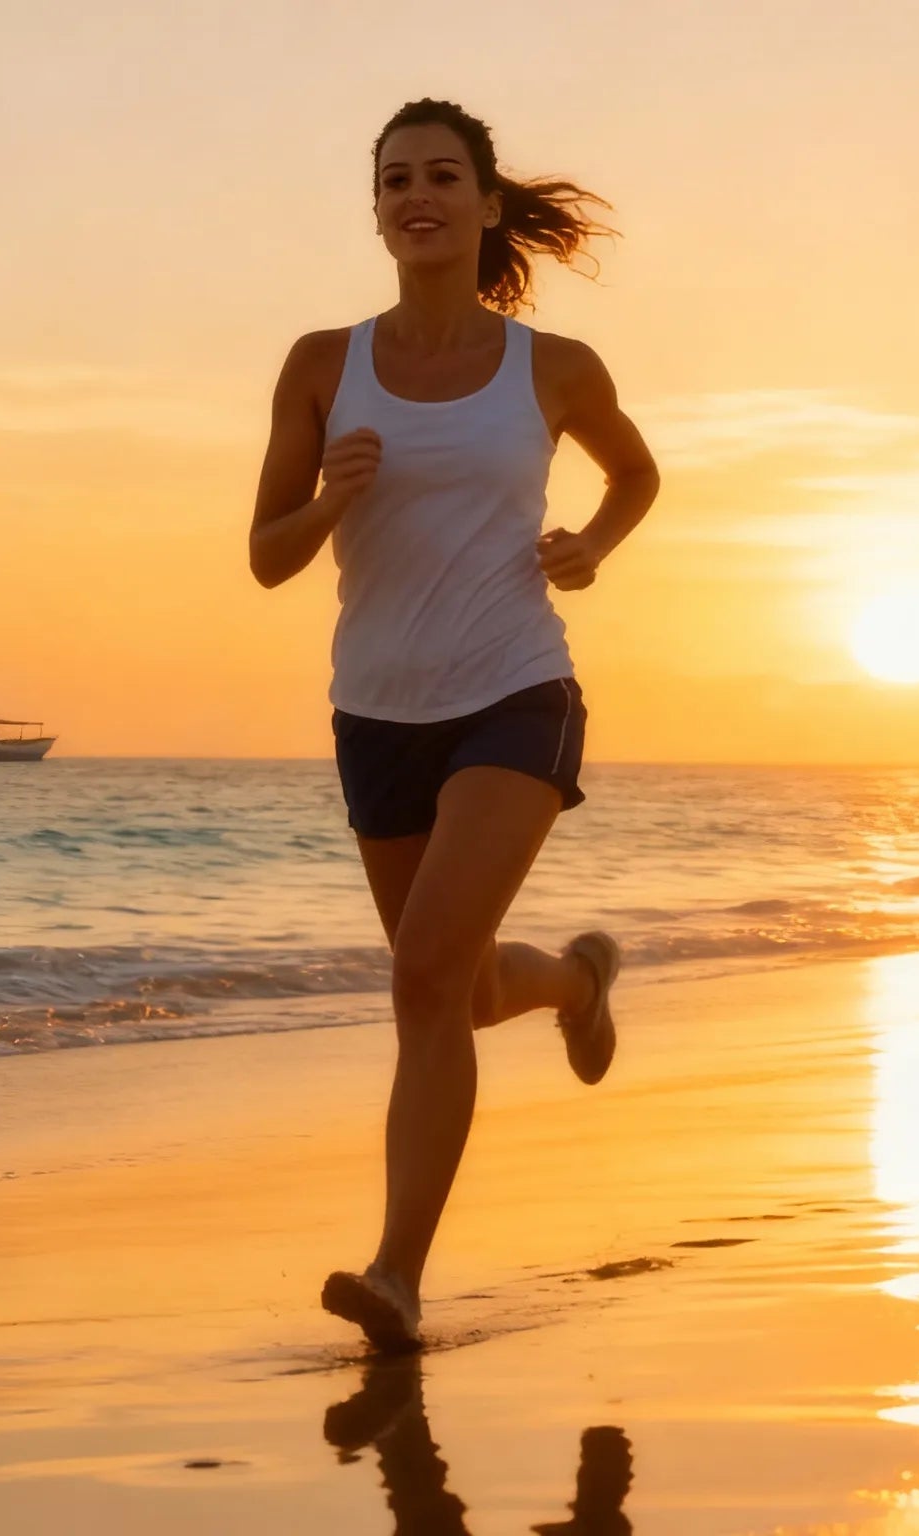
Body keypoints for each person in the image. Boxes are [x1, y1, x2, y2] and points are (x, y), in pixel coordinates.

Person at [249, 98, 659, 1353]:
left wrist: (588, 543)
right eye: (392, 181)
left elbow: (635, 473)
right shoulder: (324, 362)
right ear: (375, 211)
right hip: (376, 716)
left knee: (421, 976)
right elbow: (268, 558)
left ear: (487, 204)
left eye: (439, 176)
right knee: (462, 990)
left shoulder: (554, 368)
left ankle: (396, 1279)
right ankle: (576, 980)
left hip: (515, 692)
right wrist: (330, 502)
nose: (413, 195)